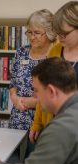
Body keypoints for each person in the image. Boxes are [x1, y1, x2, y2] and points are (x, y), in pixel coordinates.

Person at [29, 1, 78, 143]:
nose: (59, 37)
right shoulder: (55, 50)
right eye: (58, 33)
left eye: (64, 34)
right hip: (53, 127)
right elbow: (43, 91)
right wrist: (37, 123)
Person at [9, 9, 56, 131]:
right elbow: (13, 82)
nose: (32, 37)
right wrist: (14, 97)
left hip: (44, 119)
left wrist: (35, 102)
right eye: (29, 32)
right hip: (18, 117)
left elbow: (59, 93)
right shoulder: (21, 52)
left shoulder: (55, 54)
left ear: (49, 33)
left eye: (37, 33)